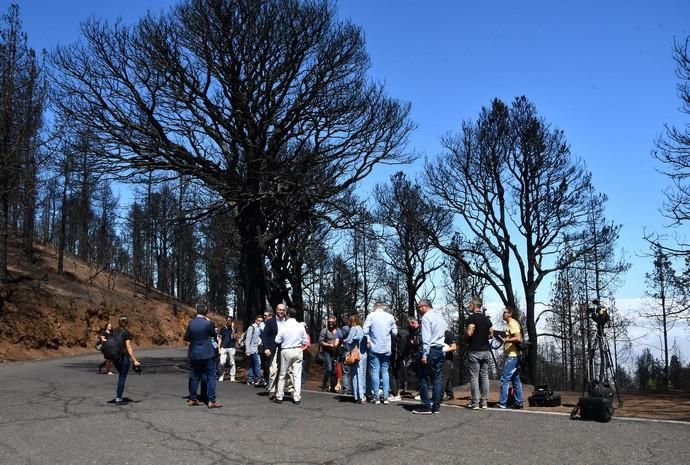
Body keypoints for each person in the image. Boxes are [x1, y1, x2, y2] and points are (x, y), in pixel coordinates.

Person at [412, 299, 447, 415]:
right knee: (437, 378)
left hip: (430, 349)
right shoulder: (440, 317)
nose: (419, 310)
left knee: (423, 377)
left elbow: (426, 338)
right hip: (439, 349)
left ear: (425, 306)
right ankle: (436, 406)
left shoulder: (426, 318)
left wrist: (424, 354)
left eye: (419, 307)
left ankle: (426, 405)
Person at [184, 306, 222, 409]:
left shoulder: (191, 323)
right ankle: (211, 400)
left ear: (197, 311)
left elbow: (186, 337)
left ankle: (192, 398)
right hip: (208, 353)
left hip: (194, 353)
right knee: (211, 376)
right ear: (206, 312)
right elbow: (214, 335)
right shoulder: (208, 323)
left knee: (195, 376)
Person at [363, 302, 397, 404]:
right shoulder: (390, 316)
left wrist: (369, 339)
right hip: (386, 347)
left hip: (374, 347)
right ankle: (385, 396)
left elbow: (365, 330)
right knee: (385, 371)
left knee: (375, 371)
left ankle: (376, 396)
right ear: (383, 308)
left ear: (374, 308)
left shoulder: (371, 316)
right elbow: (395, 332)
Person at [463, 296, 493, 410]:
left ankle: (475, 402)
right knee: (484, 376)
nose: (469, 306)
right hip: (485, 351)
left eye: (470, 304)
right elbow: (491, 333)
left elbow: (470, 332)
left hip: (474, 350)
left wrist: (464, 336)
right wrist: (483, 337)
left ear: (474, 305)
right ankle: (484, 402)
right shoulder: (487, 319)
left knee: (474, 377)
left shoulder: (472, 318)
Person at [274, 307, 308, 405]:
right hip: (298, 350)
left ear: (287, 314)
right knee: (297, 375)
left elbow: (277, 340)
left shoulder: (284, 326)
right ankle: (296, 397)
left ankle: (279, 396)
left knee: (282, 374)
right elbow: (305, 341)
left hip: (286, 350)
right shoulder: (300, 326)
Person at [496, 307, 524, 409]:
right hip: (513, 355)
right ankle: (519, 403)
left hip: (512, 356)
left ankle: (502, 403)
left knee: (505, 379)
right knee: (516, 380)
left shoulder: (512, 323)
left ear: (510, 314)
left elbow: (518, 338)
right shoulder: (510, 324)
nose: (503, 314)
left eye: (505, 312)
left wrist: (506, 340)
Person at [109, 316, 141, 405]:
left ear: (118, 322)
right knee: (122, 377)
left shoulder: (114, 332)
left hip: (115, 358)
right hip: (124, 357)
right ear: (127, 323)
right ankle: (119, 397)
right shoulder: (127, 333)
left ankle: (118, 396)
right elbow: (128, 347)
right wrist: (135, 360)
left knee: (121, 375)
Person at [262, 304, 287, 399]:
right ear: (276, 310)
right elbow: (264, 335)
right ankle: (271, 389)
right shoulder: (270, 322)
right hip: (273, 348)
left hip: (284, 348)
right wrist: (266, 348)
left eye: (283, 310)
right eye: (280, 310)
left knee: (284, 371)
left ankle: (280, 390)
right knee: (273, 370)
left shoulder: (288, 322)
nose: (281, 312)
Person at [344, 313, 367, 404]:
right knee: (360, 375)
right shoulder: (361, 329)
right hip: (362, 354)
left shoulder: (354, 329)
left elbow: (350, 340)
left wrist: (345, 341)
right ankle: (362, 395)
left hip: (355, 354)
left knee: (355, 375)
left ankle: (358, 396)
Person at [318, 316, 341, 392]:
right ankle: (324, 385)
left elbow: (342, 339)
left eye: (332, 322)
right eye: (329, 322)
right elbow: (320, 341)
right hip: (327, 351)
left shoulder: (338, 330)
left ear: (335, 322)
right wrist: (328, 345)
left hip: (335, 352)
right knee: (329, 368)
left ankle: (332, 386)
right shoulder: (324, 330)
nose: (330, 323)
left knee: (334, 369)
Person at [245, 314, 264, 386]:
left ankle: (250, 379)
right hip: (253, 349)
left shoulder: (261, 327)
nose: (259, 322)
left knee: (252, 365)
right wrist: (247, 350)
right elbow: (248, 339)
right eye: (258, 321)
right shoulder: (252, 327)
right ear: (255, 320)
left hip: (258, 348)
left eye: (261, 321)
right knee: (257, 364)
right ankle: (258, 378)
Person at [440, 328, 458, 401]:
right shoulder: (437, 334)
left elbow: (454, 347)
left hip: (447, 360)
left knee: (443, 377)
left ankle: (439, 396)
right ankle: (450, 394)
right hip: (439, 359)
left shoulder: (448, 334)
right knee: (446, 377)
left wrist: (443, 350)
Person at [217, 316, 237, 382]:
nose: (228, 321)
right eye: (227, 320)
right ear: (225, 321)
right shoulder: (222, 329)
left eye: (230, 320)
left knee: (232, 362)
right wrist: (219, 348)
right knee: (222, 362)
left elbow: (233, 337)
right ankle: (221, 375)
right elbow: (220, 339)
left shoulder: (233, 329)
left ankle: (232, 376)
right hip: (223, 347)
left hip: (231, 347)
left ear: (232, 322)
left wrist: (233, 328)